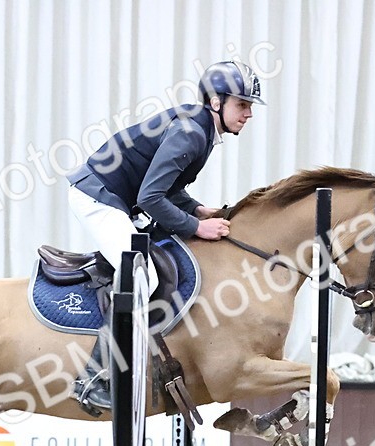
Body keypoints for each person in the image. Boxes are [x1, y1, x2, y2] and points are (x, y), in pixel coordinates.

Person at [67, 60, 266, 414]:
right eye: (242, 104)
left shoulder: (201, 127)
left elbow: (166, 187)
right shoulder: (192, 131)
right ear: (216, 102)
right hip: (97, 196)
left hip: (117, 195)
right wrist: (196, 227)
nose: (249, 114)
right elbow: (149, 198)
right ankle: (94, 378)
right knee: (144, 273)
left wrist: (196, 208)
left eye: (249, 106)